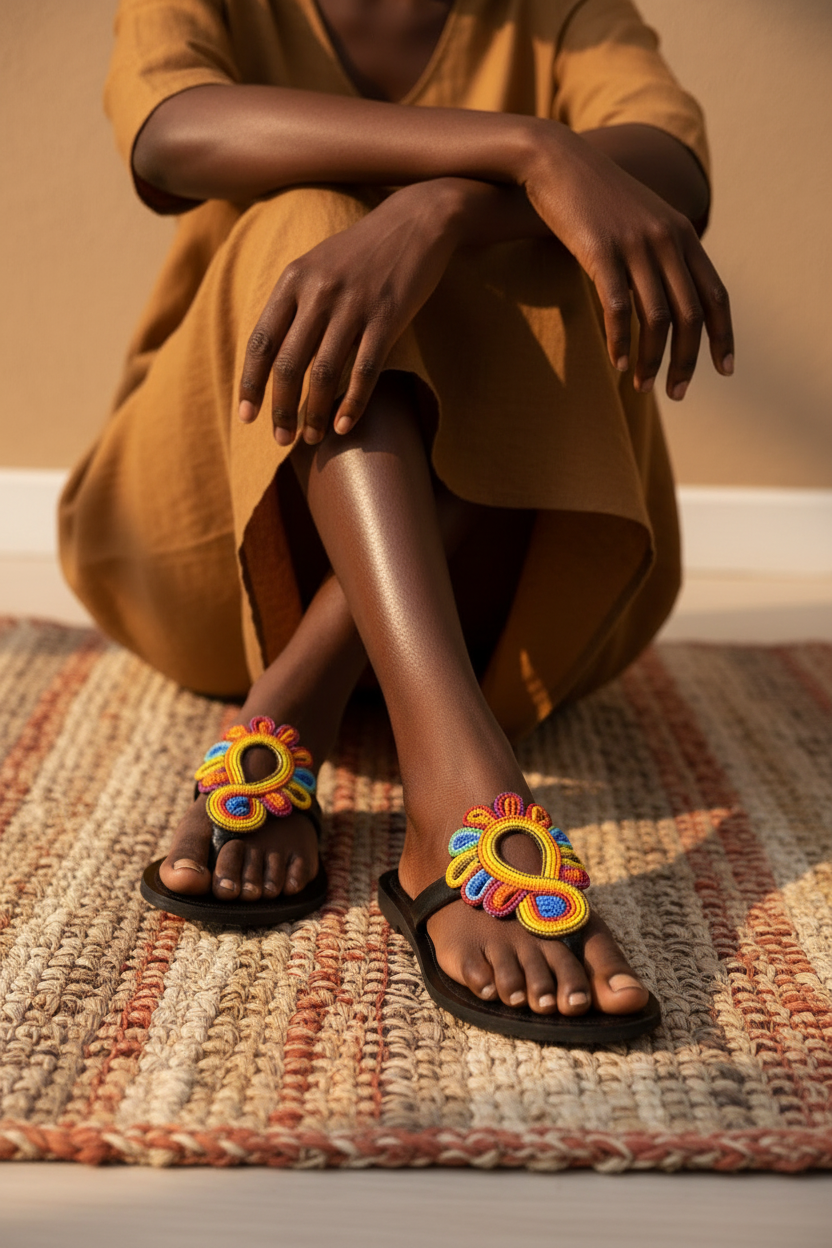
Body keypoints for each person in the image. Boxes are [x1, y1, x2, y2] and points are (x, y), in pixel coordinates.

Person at [59, 0, 733, 1042]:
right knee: (306, 219)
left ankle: (307, 687)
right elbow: (174, 132)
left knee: (548, 261)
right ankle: (459, 785)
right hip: (226, 552)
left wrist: (439, 216)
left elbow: (668, 166)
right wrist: (525, 147)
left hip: (512, 602)